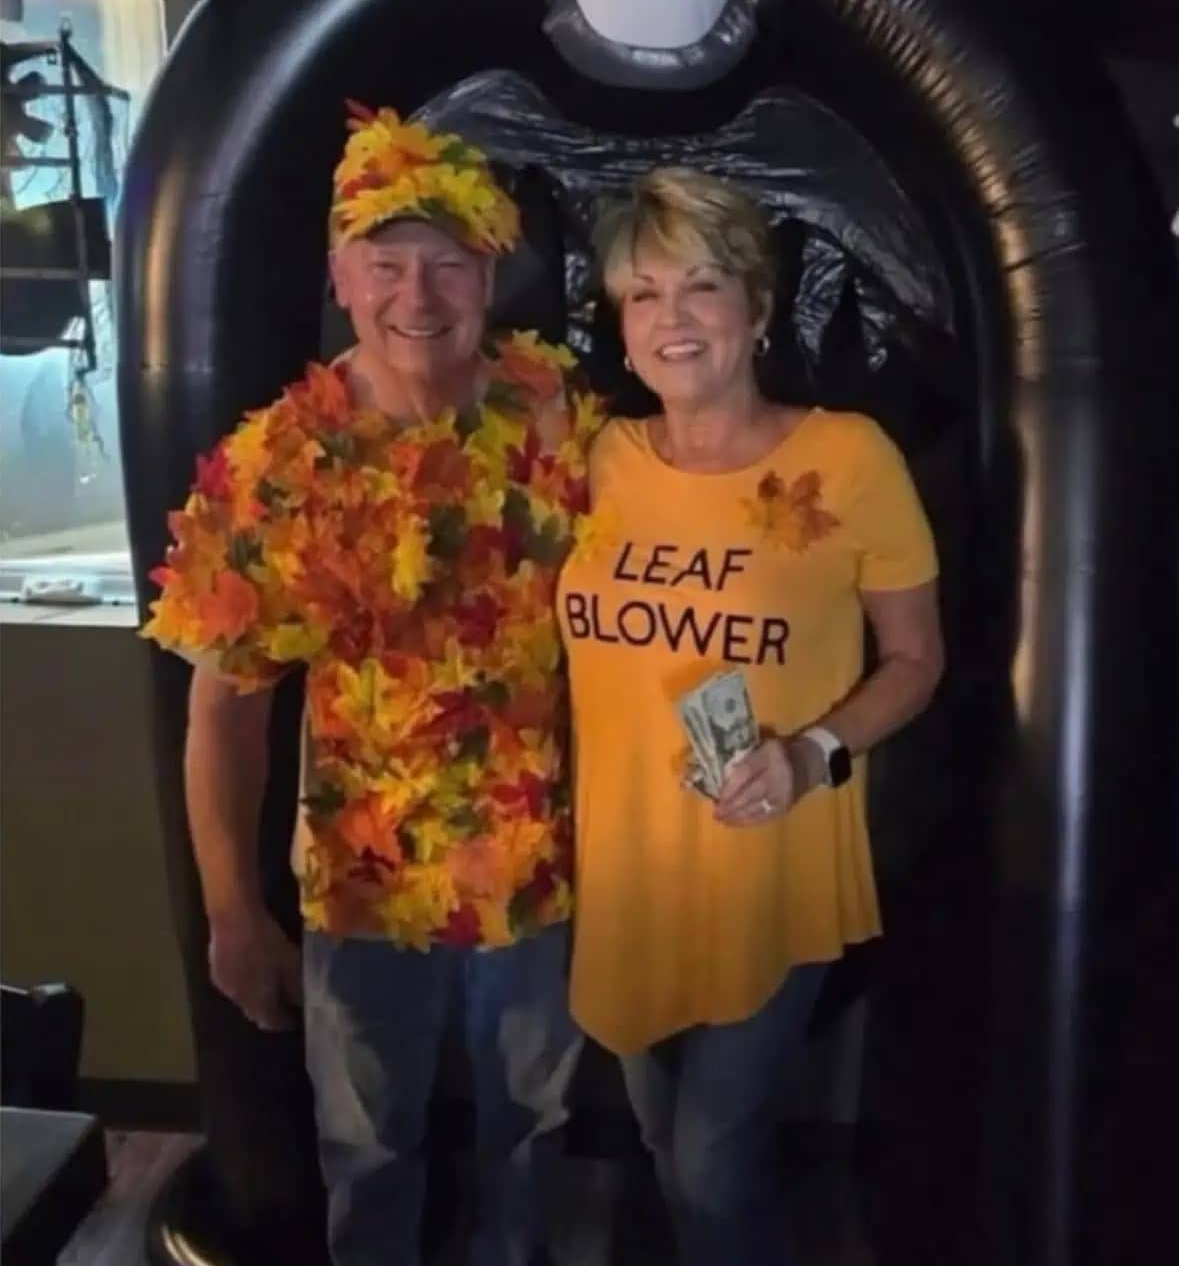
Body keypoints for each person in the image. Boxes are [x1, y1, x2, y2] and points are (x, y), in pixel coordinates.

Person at [144, 104, 603, 1266]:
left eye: (447, 263)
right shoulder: (282, 465)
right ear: (341, 277)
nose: (418, 294)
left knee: (531, 1137)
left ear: (491, 271)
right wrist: (232, 912)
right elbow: (223, 711)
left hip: (541, 883)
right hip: (362, 893)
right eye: (386, 264)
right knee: (370, 1155)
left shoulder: (555, 415)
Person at [558, 167, 944, 1265]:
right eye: (644, 295)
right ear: (621, 325)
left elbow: (917, 660)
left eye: (703, 289)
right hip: (626, 867)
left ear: (759, 309)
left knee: (713, 1165)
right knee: (654, 1134)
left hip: (769, 861)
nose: (672, 320)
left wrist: (812, 751)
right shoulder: (602, 457)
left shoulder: (848, 457)